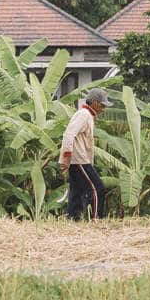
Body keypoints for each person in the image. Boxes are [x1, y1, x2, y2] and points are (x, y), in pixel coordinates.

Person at [59, 88, 109, 221]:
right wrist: (66, 157)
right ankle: (96, 219)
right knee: (98, 188)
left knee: (77, 192)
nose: (104, 109)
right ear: (93, 102)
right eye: (102, 105)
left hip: (78, 160)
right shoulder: (84, 115)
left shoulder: (87, 115)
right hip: (79, 159)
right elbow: (69, 134)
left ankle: (72, 219)